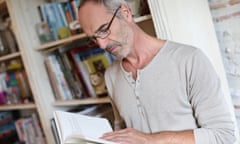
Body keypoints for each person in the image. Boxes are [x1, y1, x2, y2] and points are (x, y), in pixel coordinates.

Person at [78, 0, 236, 143]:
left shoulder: (189, 59)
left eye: (104, 30)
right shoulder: (111, 76)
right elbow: (121, 134)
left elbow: (223, 136)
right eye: (93, 38)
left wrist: (150, 140)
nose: (101, 45)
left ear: (125, 13)